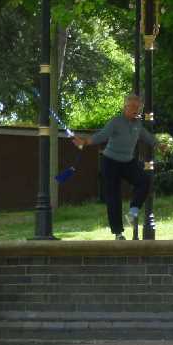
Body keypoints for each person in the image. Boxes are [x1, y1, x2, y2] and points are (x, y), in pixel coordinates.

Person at [71, 93, 155, 240]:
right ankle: (118, 233)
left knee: (144, 181)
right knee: (113, 197)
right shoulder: (116, 122)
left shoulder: (138, 124)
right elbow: (101, 136)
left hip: (128, 162)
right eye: (132, 107)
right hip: (110, 162)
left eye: (138, 108)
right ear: (125, 107)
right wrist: (85, 142)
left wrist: (160, 144)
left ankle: (133, 212)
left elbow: (147, 136)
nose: (136, 110)